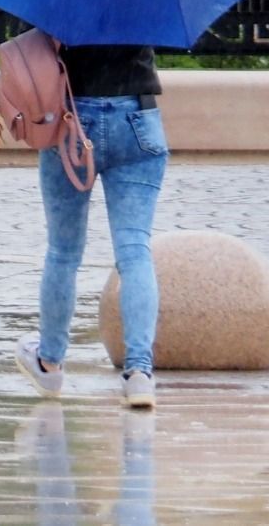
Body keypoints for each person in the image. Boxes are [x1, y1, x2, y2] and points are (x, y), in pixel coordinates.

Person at [15, 41, 167, 410]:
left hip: (70, 115)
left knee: (63, 252)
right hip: (137, 115)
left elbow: (27, 45)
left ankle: (49, 361)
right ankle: (139, 374)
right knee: (134, 251)